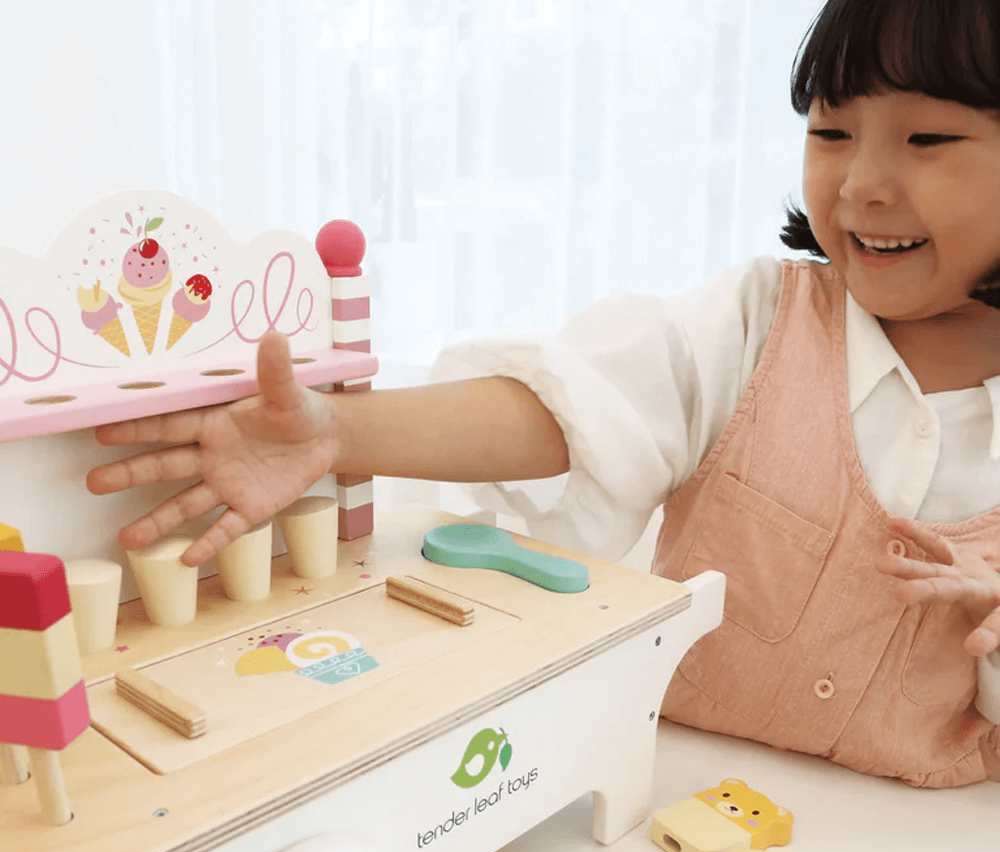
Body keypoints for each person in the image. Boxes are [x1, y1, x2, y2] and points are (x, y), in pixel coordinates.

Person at [87, 0, 1000, 788]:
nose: (863, 185)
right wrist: (337, 432)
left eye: (928, 139)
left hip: (910, 841)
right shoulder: (759, 320)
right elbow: (570, 410)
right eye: (831, 133)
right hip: (662, 775)